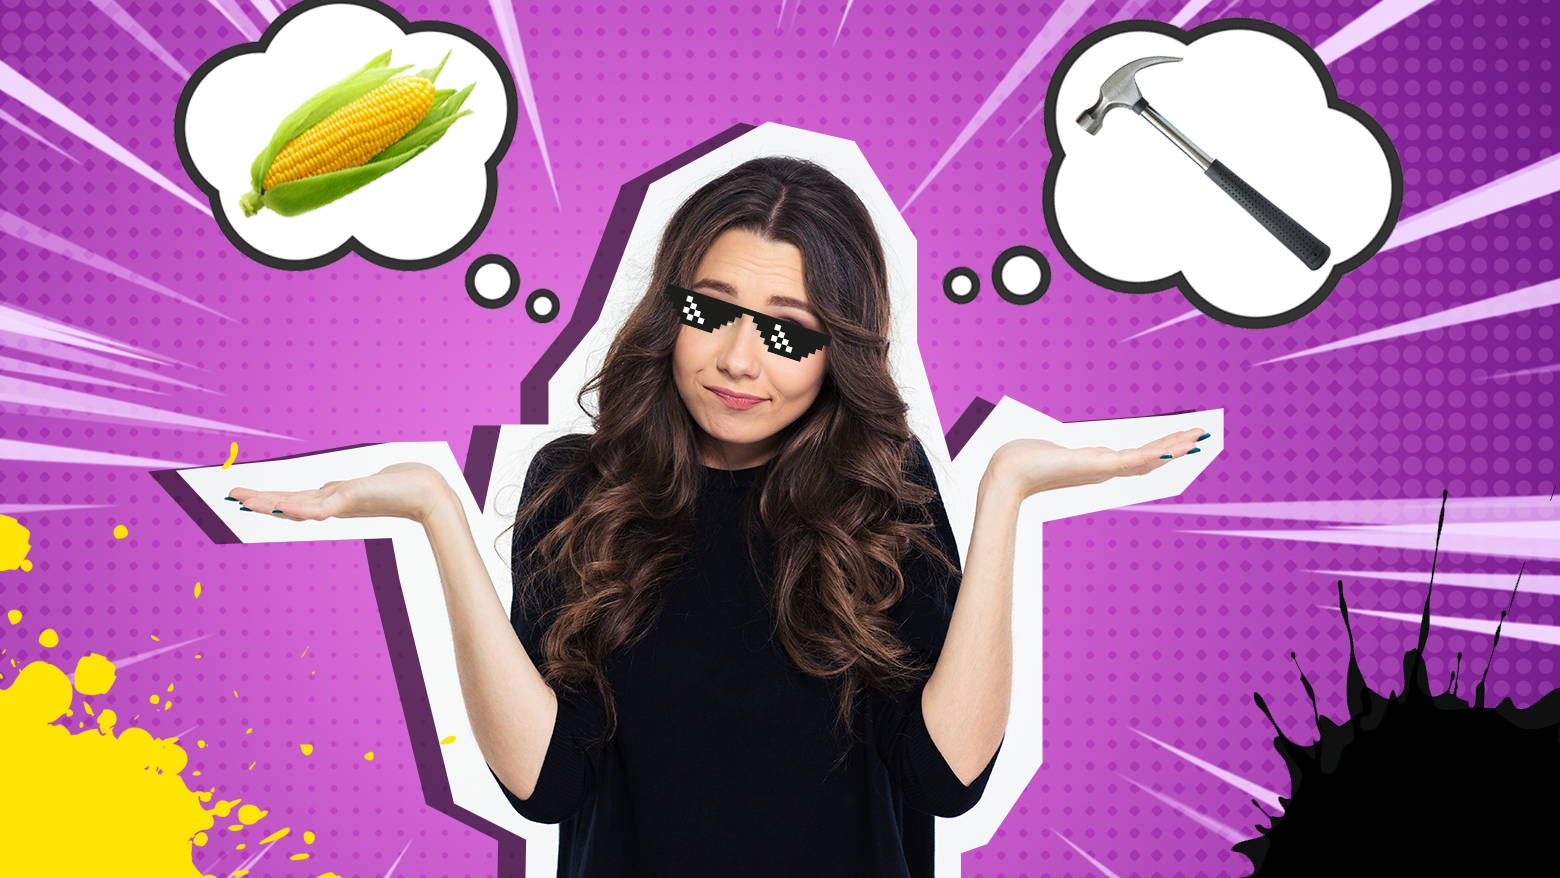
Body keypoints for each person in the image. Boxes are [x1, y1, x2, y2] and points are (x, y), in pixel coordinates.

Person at [229, 156, 1208, 877]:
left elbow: (943, 779)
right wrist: (434, 513)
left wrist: (1006, 497)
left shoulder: (883, 491)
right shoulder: (579, 486)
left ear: (840, 352)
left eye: (787, 332)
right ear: (670, 309)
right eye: (711, 309)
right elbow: (550, 785)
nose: (739, 360)